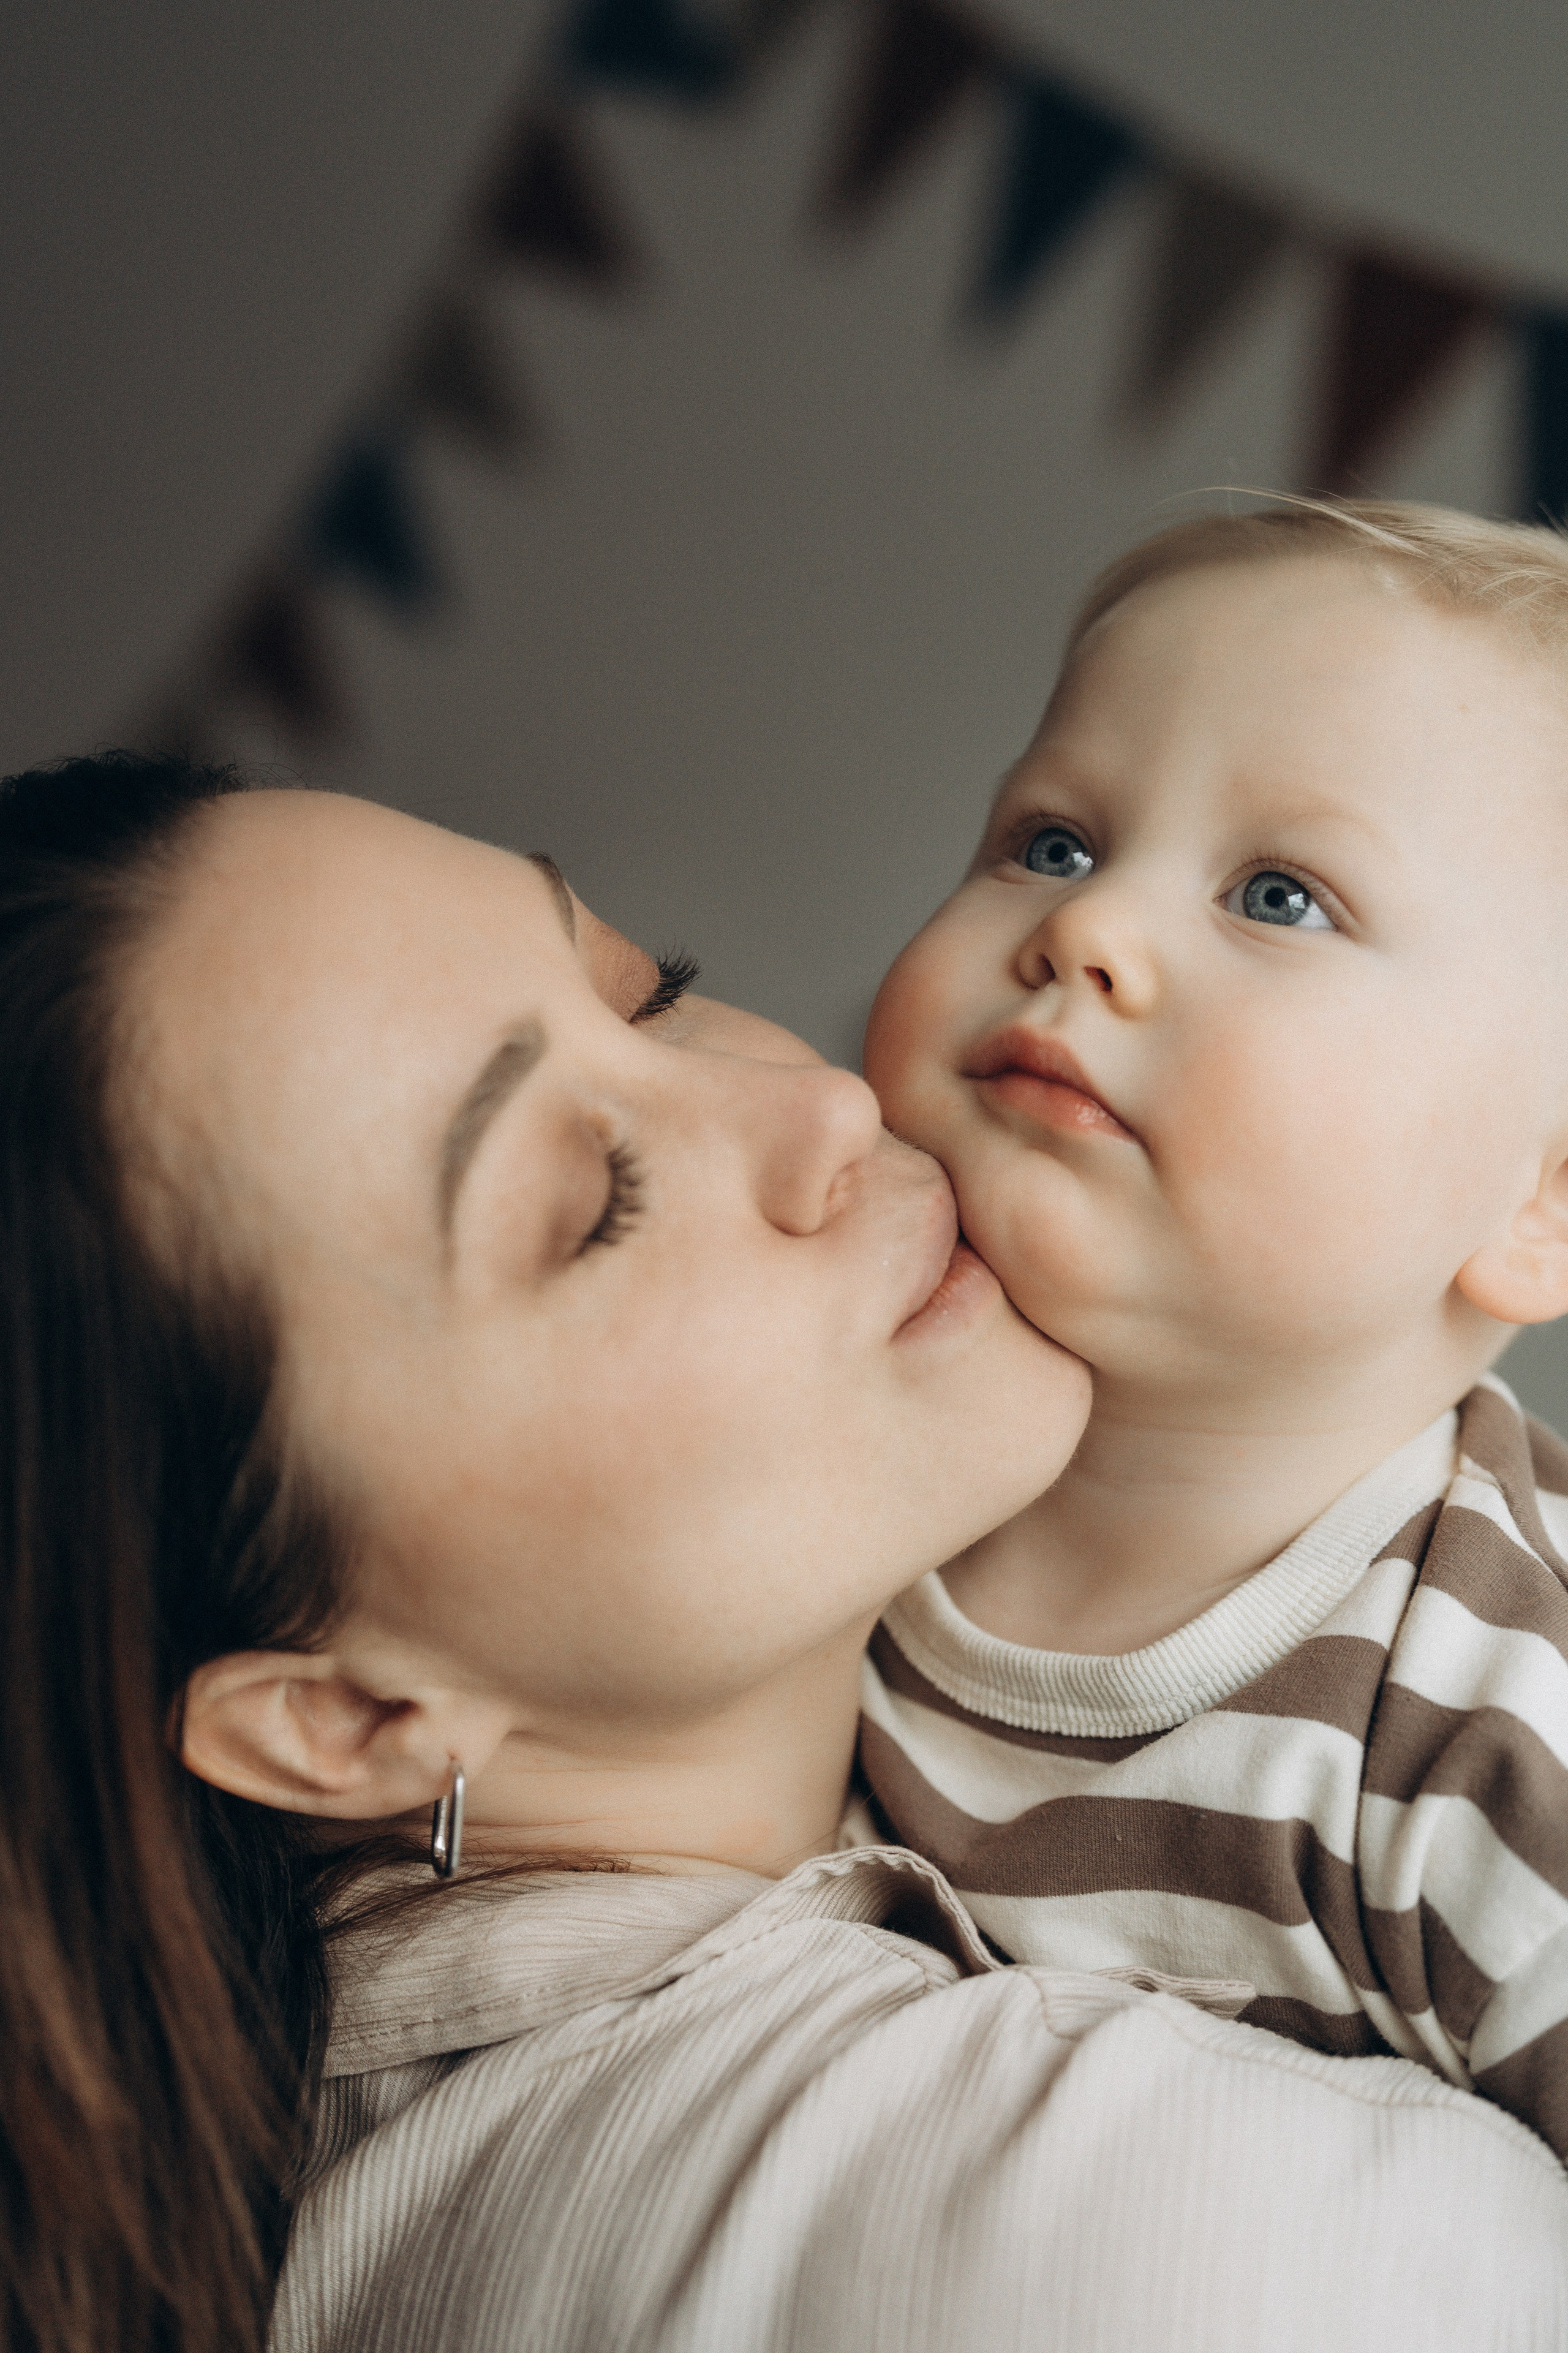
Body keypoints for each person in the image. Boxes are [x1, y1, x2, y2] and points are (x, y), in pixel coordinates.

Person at [2, 752, 1564, 2353]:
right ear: (347, 1715)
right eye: (595, 1202)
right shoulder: (1184, 2237)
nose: (820, 1104)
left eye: (655, 992)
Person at [861, 497, 1568, 2162]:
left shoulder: (1492, 1725)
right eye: (1053, 841)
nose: (1086, 930)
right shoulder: (799, 1477)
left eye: (1280, 895)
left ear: (1545, 1203)